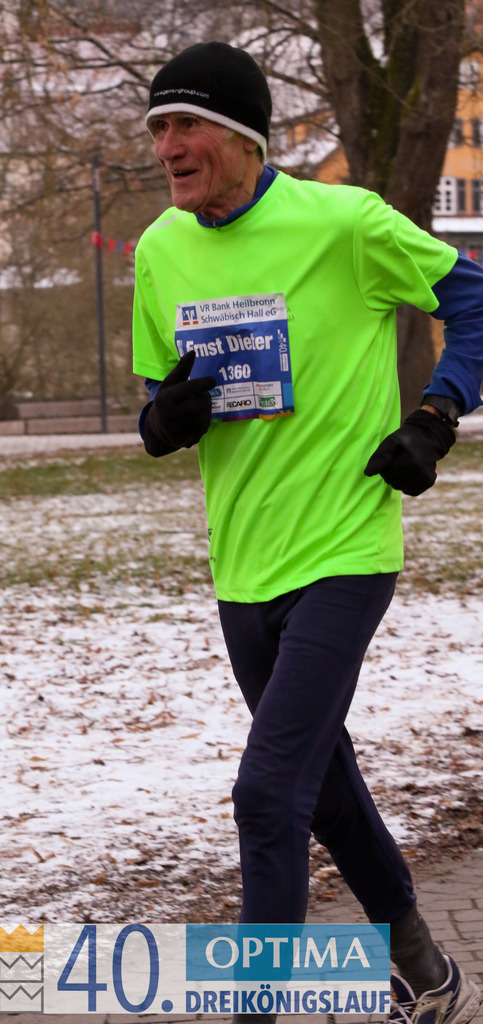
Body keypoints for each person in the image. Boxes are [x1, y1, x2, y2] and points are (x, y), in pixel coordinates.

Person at [132, 41, 483, 1024]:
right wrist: (166, 422)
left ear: (240, 138)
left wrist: (434, 415)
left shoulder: (343, 223)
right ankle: (424, 970)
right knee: (320, 783)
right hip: (241, 563)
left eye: (185, 124)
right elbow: (159, 398)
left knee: (263, 793)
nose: (167, 145)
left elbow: (472, 297)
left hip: (343, 547)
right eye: (157, 128)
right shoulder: (161, 248)